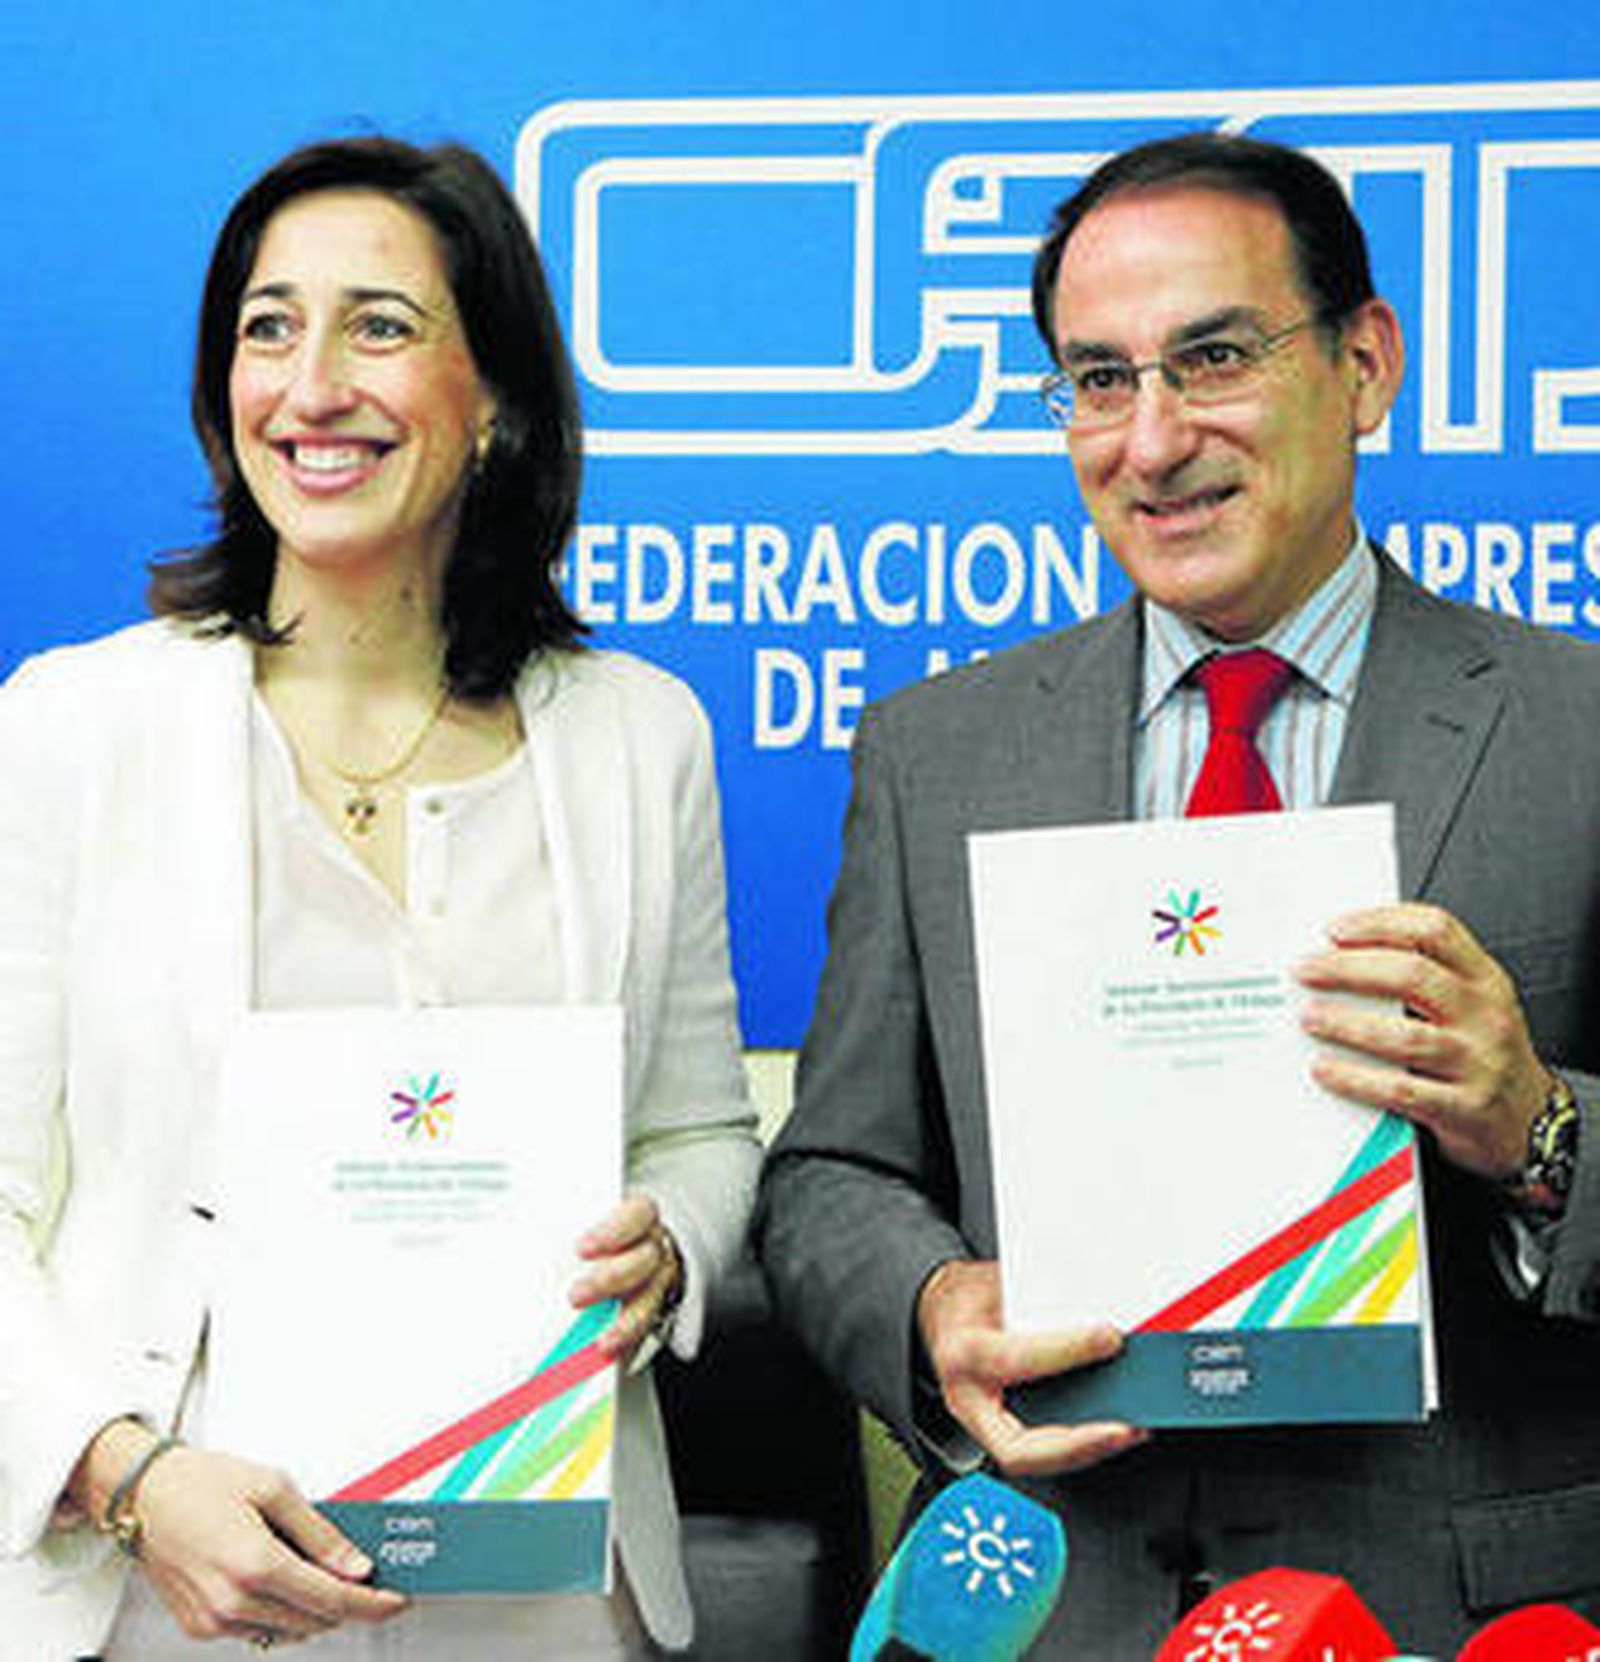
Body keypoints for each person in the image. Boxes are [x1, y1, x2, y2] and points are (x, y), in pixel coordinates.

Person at [756, 131, 1600, 1655]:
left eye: (1210, 357)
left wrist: (1537, 1124)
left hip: (1467, 1609)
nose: (1149, 441)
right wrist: (935, 1302)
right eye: (1097, 378)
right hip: (1066, 1603)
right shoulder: (939, 754)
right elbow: (827, 1175)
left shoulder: (1579, 729)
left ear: (1365, 364)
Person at [0, 136, 759, 1659]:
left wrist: (669, 1238)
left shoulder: (638, 734)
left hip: (540, 1595)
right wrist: (128, 1472)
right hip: (171, 1589)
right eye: (268, 327)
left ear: (499, 407)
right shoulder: (72, 726)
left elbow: (701, 1131)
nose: (311, 382)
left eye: (382, 327)